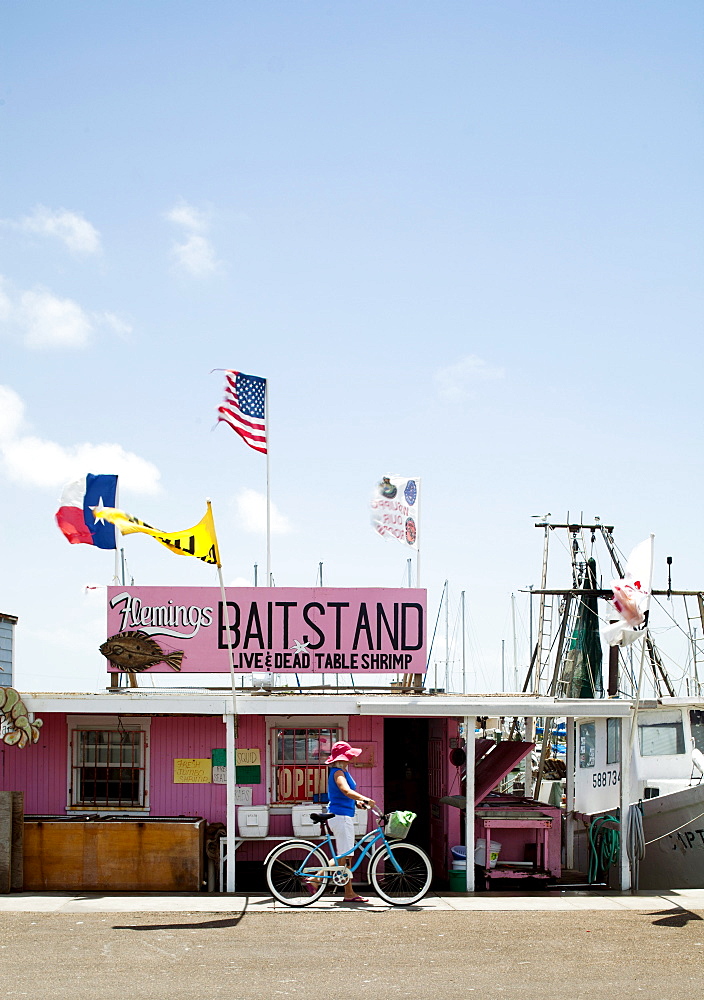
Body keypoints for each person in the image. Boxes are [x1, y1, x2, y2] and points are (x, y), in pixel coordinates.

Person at [324, 740, 376, 903]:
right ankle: (344, 891)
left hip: (341, 814)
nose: (351, 759)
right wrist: (364, 798)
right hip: (340, 816)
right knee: (346, 856)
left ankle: (342, 889)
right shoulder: (338, 772)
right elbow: (345, 791)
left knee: (345, 855)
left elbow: (343, 796)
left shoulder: (341, 771)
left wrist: (357, 802)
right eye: (349, 756)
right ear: (343, 757)